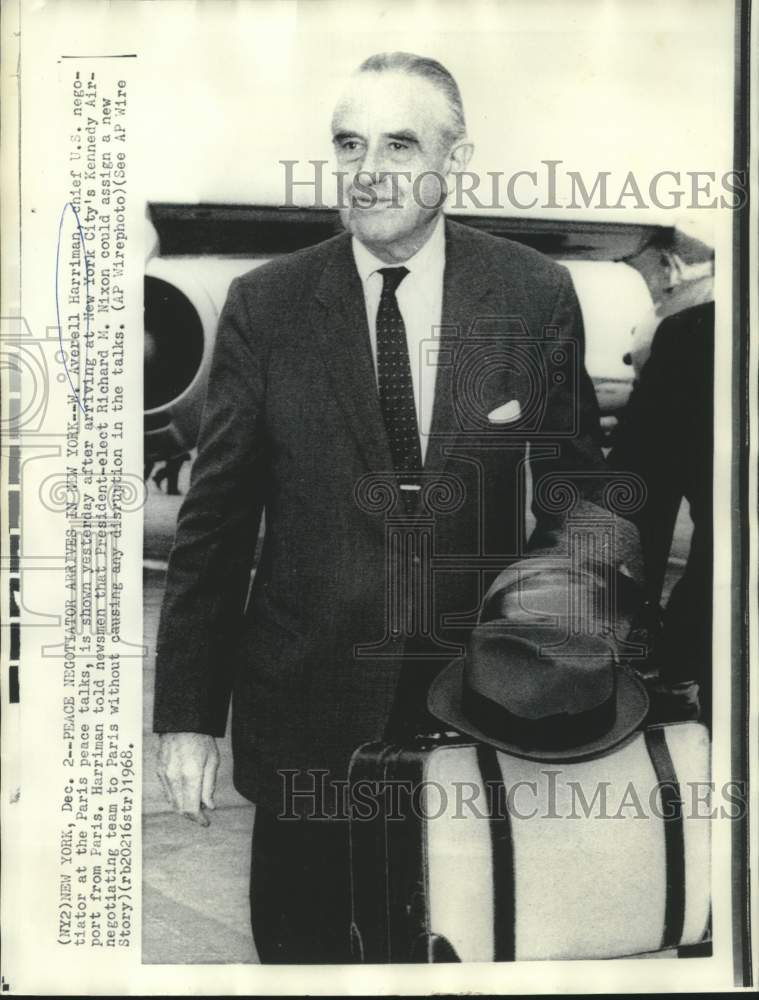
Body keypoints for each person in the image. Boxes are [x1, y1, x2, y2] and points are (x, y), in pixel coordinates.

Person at [153, 51, 639, 963]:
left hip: (480, 712)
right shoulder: (269, 306)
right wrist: (185, 714)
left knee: (460, 955)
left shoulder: (532, 295)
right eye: (348, 144)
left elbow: (580, 495)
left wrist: (555, 628)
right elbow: (213, 527)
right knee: (304, 960)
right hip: (306, 720)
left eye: (399, 143)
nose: (368, 169)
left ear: (454, 159)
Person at [610, 301, 714, 728]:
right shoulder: (699, 334)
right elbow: (644, 489)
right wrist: (632, 613)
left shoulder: (696, 330)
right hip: (716, 638)